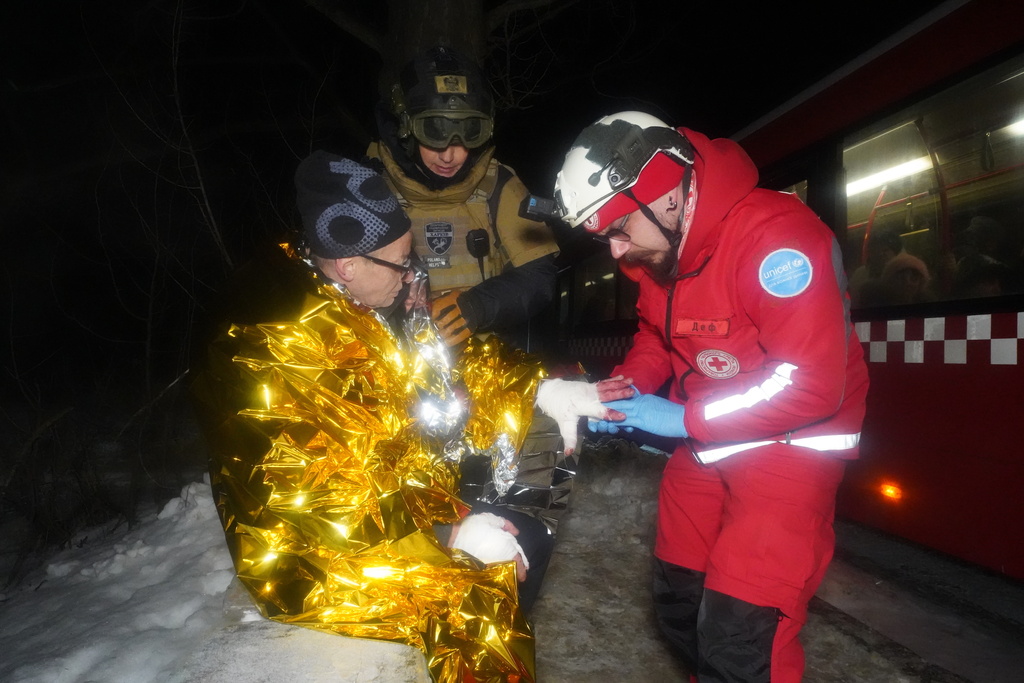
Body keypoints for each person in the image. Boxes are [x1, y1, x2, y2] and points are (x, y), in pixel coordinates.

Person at [189, 151, 557, 683]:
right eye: (402, 262)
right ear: (347, 263)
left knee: (529, 538)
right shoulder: (271, 340)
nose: (412, 276)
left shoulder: (355, 293)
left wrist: (541, 384)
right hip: (311, 551)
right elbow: (316, 497)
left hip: (389, 508)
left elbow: (440, 370)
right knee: (475, 607)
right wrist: (450, 533)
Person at [542, 112, 870, 682]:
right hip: (711, 438)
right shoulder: (661, 251)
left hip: (791, 445)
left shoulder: (777, 241)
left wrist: (682, 418)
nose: (617, 253)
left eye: (620, 229)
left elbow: (812, 383)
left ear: (668, 196)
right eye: (606, 238)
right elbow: (656, 335)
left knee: (741, 634)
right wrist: (633, 385)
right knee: (679, 601)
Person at [367, 46, 559, 348]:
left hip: (486, 364)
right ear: (406, 127)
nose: (450, 154)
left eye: (470, 132)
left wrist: (477, 306)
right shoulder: (371, 190)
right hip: (395, 363)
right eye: (434, 131)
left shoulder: (497, 185)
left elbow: (540, 276)